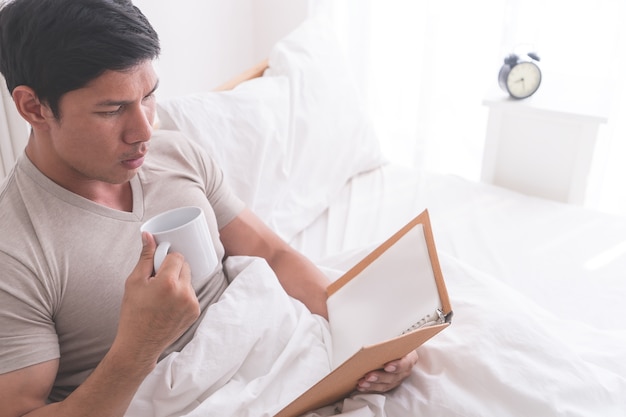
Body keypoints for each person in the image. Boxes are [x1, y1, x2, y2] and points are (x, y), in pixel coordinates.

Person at [0, 0, 419, 415]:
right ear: (33, 107)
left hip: (288, 353)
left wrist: (371, 342)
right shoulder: (14, 249)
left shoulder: (175, 154)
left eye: (148, 96)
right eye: (112, 110)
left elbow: (272, 254)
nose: (145, 130)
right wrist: (138, 348)